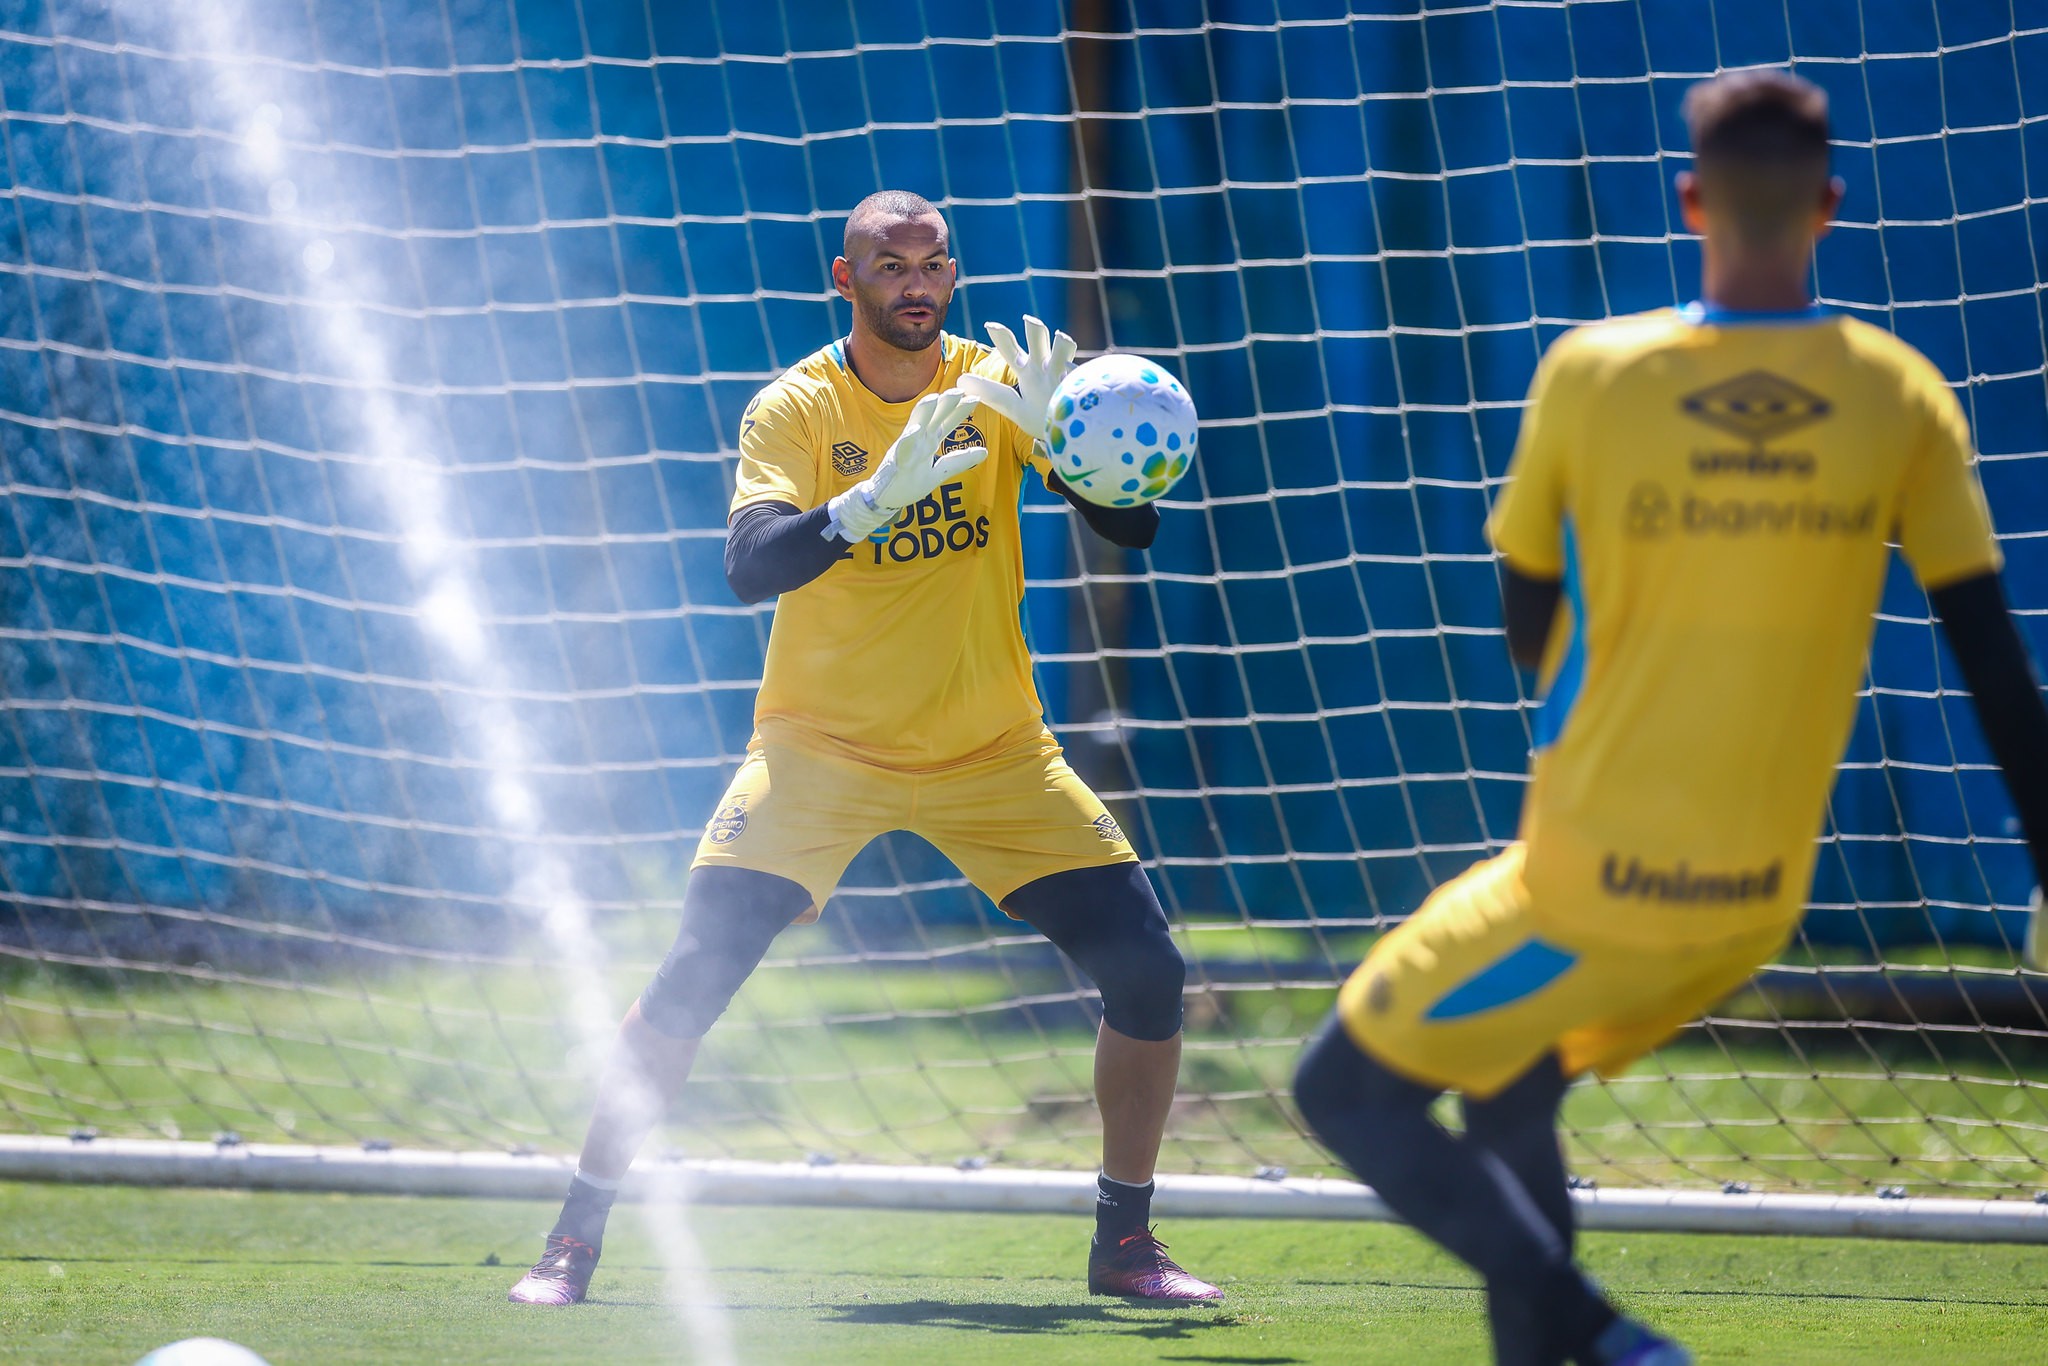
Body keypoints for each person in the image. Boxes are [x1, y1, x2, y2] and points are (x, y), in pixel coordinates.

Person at [1292, 69, 2048, 1366]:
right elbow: (1992, 665)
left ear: (1691, 198)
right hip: (1755, 901)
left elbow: (1524, 619)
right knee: (1508, 1085)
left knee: (1341, 1090)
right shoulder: (1903, 395)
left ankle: (1620, 1346)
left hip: (1591, 884)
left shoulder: (1596, 375)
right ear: (1832, 203)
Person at [508, 190, 1221, 1306]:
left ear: (952, 273)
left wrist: (1082, 452)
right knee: (692, 978)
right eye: (888, 265)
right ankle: (573, 1237)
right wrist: (864, 504)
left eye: (931, 262)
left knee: (1149, 972)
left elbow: (1130, 529)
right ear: (847, 282)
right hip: (820, 754)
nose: (914, 283)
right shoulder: (793, 408)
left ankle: (1123, 1245)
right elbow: (750, 566)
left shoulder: (993, 382)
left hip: (991, 753)